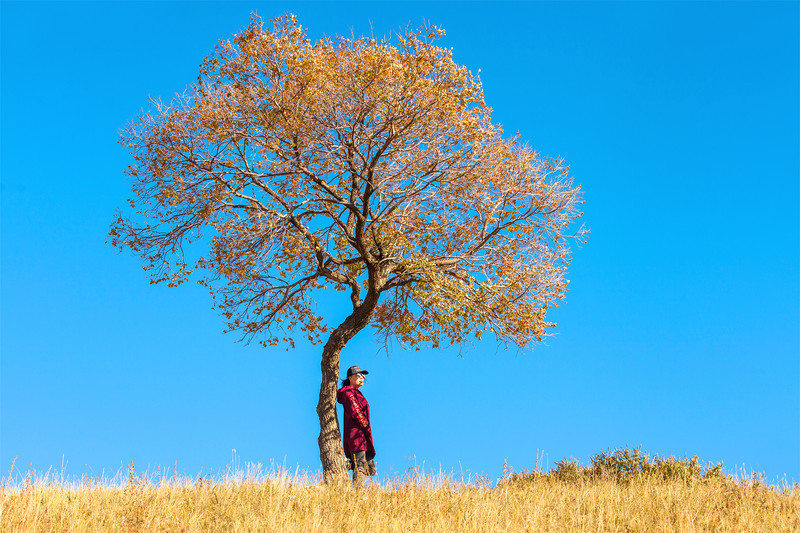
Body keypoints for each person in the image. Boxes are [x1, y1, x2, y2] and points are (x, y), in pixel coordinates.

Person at [337, 365, 376, 484]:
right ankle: (357, 492)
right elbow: (355, 410)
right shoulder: (349, 392)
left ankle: (346, 464)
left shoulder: (356, 392)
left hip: (362, 434)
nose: (362, 378)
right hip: (356, 433)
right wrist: (364, 425)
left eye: (363, 375)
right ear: (350, 378)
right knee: (359, 465)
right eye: (358, 375)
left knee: (370, 469)